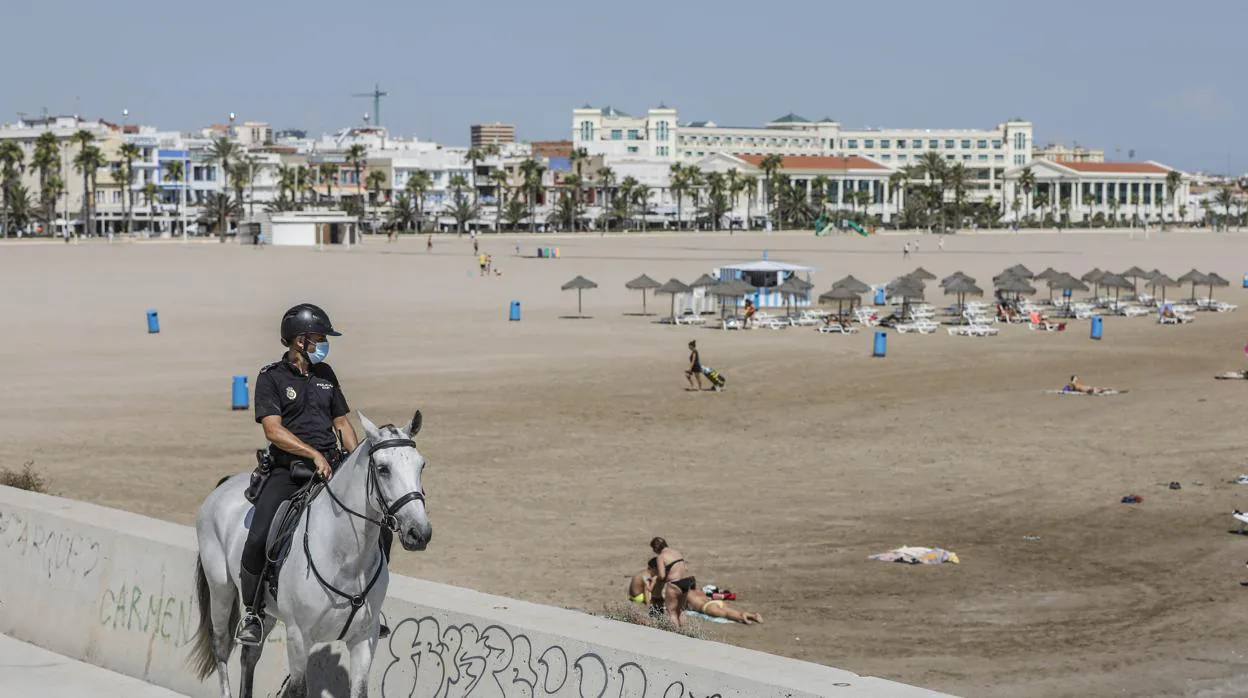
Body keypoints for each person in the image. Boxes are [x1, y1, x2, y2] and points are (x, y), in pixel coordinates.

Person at [237, 304, 393, 645]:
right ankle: (253, 613)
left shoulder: (327, 375)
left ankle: (372, 606)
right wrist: (311, 453)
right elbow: (273, 430)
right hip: (288, 471)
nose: (323, 344)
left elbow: (342, 423)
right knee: (259, 536)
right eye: (319, 338)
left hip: (331, 470)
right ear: (299, 340)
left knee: (380, 526)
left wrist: (356, 461)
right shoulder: (271, 378)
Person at [629, 559, 763, 625]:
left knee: (727, 614)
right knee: (728, 609)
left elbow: (677, 605)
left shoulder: (684, 594)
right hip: (714, 601)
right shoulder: (697, 591)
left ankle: (745, 616)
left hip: (706, 607)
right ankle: (750, 614)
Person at [650, 537, 696, 628]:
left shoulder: (661, 556)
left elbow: (662, 576)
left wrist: (656, 579)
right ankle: (686, 632)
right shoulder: (677, 552)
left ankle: (675, 635)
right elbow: (685, 568)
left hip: (674, 584)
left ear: (655, 548)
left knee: (672, 612)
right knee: (681, 610)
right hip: (686, 582)